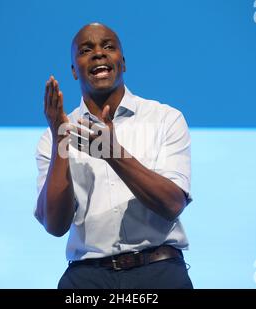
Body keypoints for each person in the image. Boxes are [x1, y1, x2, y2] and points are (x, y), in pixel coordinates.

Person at [35, 22, 193, 289]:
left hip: (158, 272)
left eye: (108, 46)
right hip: (87, 279)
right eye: (86, 50)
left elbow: (172, 204)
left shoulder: (165, 119)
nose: (99, 53)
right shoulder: (54, 136)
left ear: (123, 63)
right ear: (74, 70)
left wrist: (113, 154)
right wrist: (60, 139)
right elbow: (55, 225)